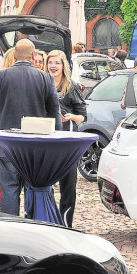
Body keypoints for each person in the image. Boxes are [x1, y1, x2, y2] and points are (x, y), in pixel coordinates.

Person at [0, 39, 62, 216]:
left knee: (9, 191)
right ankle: (32, 225)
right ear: (33, 56)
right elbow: (54, 112)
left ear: (14, 56)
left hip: (7, 145)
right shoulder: (45, 78)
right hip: (36, 147)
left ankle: (10, 231)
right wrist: (58, 140)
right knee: (33, 189)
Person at [45, 50, 87, 227]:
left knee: (68, 187)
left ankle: (65, 224)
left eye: (57, 63)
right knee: (44, 184)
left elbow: (83, 116)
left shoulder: (71, 86)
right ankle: (48, 220)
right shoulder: (43, 84)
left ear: (64, 66)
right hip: (46, 143)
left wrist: (70, 116)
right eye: (50, 62)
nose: (53, 66)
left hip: (67, 143)